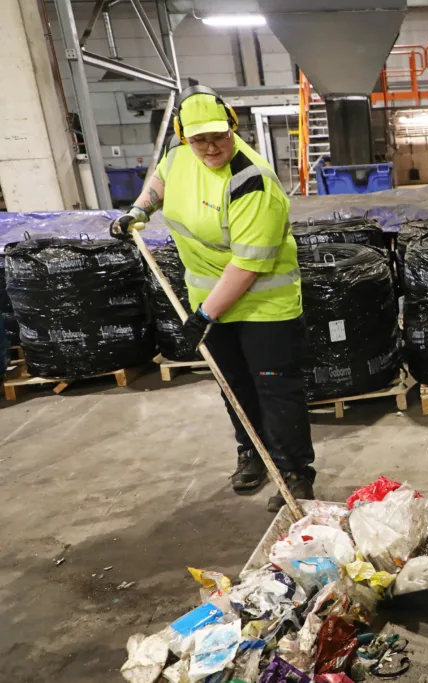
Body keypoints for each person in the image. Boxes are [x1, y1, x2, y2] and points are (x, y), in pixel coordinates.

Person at [111, 85, 315, 512]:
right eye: (199, 138)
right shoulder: (178, 158)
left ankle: (295, 473)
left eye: (219, 136)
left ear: (233, 129)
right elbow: (159, 183)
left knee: (275, 390)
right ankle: (253, 454)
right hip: (210, 300)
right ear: (184, 136)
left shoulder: (251, 181)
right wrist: (138, 211)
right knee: (234, 386)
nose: (210, 147)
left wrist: (204, 314)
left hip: (264, 306)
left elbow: (248, 264)